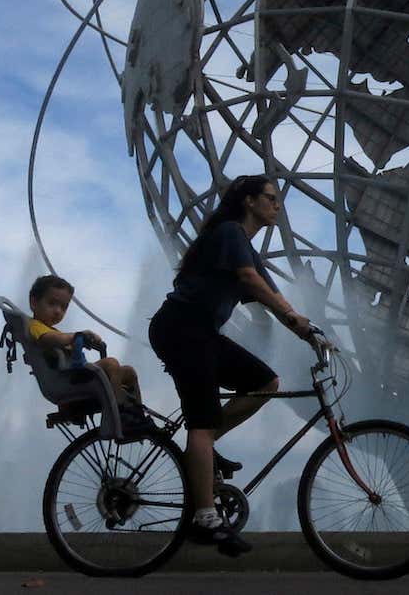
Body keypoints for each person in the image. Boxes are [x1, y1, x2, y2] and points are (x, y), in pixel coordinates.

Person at [148, 174, 316, 557]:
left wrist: (305, 333)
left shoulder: (245, 249)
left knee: (265, 382)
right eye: (271, 198)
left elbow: (267, 295)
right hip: (181, 329)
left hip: (200, 333)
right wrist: (293, 317)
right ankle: (205, 518)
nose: (277, 206)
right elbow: (251, 281)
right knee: (201, 425)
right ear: (249, 201)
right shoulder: (229, 233)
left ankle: (202, 452)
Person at [26, 274, 150, 434]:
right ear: (34, 302)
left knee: (129, 373)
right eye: (52, 304)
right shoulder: (36, 327)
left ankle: (137, 415)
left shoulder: (51, 330)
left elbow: (61, 339)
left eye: (63, 307)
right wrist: (78, 336)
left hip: (74, 378)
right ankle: (120, 413)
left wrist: (83, 339)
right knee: (111, 363)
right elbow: (51, 339)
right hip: (68, 381)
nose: (58, 311)